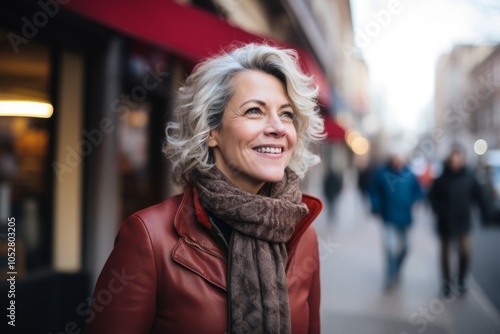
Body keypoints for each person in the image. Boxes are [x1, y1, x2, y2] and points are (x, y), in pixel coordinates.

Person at [83, 44, 324, 334]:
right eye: (254, 111)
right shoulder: (149, 237)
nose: (278, 127)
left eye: (286, 114)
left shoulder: (301, 234)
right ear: (211, 131)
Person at [429, 147, 487, 296]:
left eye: (458, 159)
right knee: (445, 254)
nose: (456, 162)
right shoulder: (441, 178)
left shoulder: (469, 177)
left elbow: (479, 197)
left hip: (463, 222)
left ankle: (461, 281)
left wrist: (486, 213)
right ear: (449, 161)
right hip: (445, 222)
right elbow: (432, 196)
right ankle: (447, 283)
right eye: (453, 160)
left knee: (465, 252)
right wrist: (439, 209)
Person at [370, 152, 424, 289]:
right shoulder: (381, 174)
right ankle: (390, 277)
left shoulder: (410, 175)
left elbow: (419, 191)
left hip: (406, 218)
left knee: (406, 247)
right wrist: (376, 205)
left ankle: (397, 270)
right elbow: (374, 191)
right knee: (389, 248)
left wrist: (416, 201)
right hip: (388, 217)